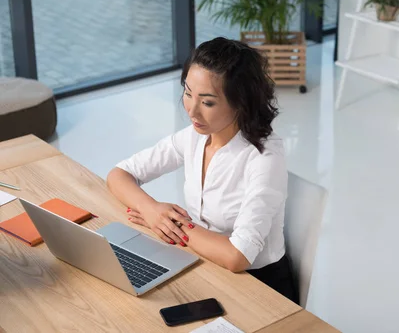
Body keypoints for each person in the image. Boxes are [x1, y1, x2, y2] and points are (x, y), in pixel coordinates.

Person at [106, 37, 298, 303]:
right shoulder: (194, 137)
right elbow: (119, 174)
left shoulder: (264, 158)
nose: (192, 111)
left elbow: (237, 256)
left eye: (207, 102)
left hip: (259, 288)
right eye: (187, 93)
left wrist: (174, 225)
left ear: (241, 102)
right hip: (202, 264)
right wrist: (150, 210)